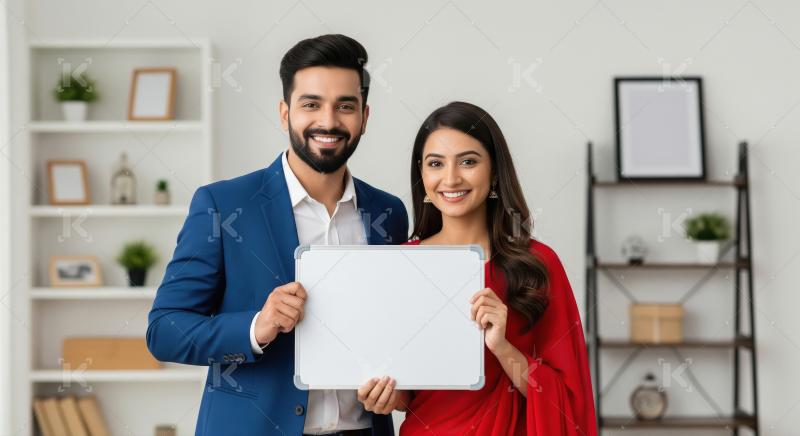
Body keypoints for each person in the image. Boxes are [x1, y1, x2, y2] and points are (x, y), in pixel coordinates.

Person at [146, 34, 408, 436]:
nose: (329, 121)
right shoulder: (223, 204)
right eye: (311, 104)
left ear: (364, 117)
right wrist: (256, 327)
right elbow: (165, 330)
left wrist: (395, 389)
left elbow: (394, 331)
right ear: (285, 114)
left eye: (345, 106)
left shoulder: (389, 214)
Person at [357, 101, 597, 435]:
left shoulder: (538, 264)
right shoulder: (401, 265)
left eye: (468, 161)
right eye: (436, 163)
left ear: (495, 170)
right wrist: (386, 396)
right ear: (422, 174)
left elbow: (569, 402)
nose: (451, 178)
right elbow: (406, 389)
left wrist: (502, 348)